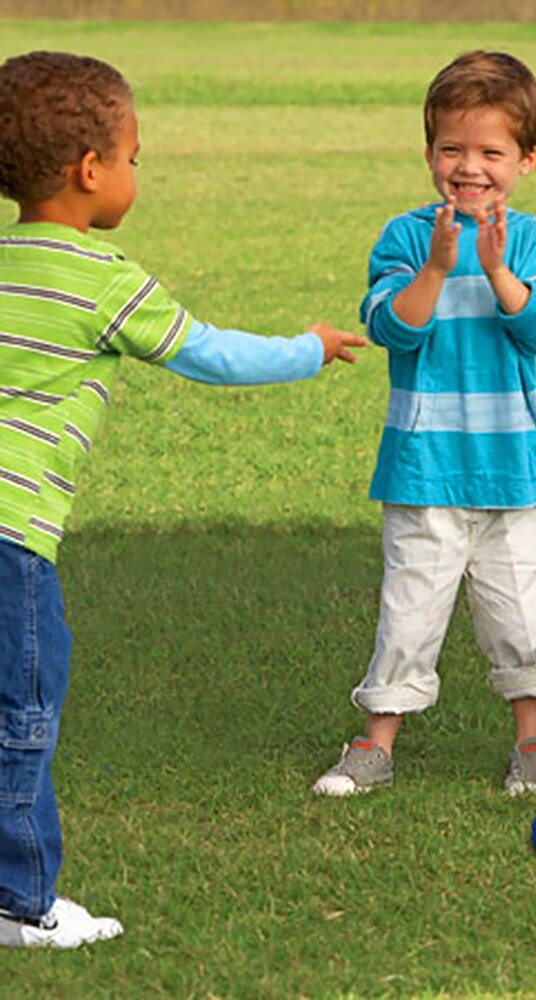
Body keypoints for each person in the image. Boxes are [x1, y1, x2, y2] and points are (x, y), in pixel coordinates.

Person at [0, 51, 366, 948]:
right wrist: (308, 347)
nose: (135, 174)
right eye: (133, 157)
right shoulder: (102, 279)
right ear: (91, 172)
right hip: (11, 542)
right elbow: (212, 353)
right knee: (20, 717)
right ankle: (21, 905)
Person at [312, 50, 536, 800]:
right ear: (429, 151)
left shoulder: (532, 241)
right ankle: (373, 745)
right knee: (409, 613)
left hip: (516, 471)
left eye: (491, 152)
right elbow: (396, 330)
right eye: (452, 149)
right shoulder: (405, 236)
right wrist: (436, 266)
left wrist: (498, 272)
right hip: (425, 468)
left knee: (526, 615)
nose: (470, 167)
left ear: (526, 159)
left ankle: (533, 750)